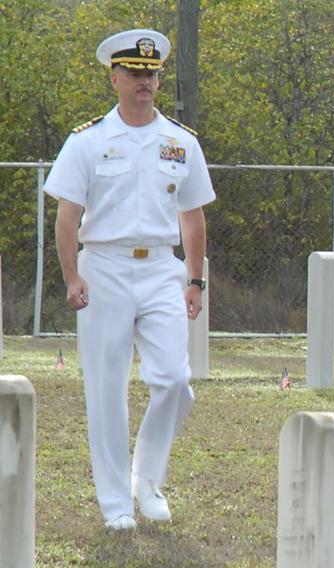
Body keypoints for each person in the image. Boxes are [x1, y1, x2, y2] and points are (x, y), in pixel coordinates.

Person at [43, 29, 215, 531]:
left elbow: (193, 217)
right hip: (104, 267)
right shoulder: (89, 141)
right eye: (135, 74)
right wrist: (71, 274)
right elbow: (67, 216)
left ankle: (148, 478)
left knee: (175, 380)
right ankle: (117, 504)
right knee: (106, 387)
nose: (145, 82)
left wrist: (196, 280)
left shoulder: (180, 142)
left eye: (152, 74)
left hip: (163, 267)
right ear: (115, 78)